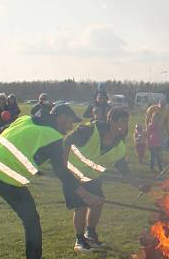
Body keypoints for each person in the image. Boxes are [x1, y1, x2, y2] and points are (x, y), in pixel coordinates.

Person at [0, 104, 102, 259]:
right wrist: (87, 196)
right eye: (69, 123)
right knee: (31, 223)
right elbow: (63, 173)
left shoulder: (24, 119)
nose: (70, 128)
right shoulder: (53, 137)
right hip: (4, 177)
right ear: (60, 117)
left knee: (30, 221)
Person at [63, 108, 151, 251]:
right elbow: (67, 140)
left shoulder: (120, 145)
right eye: (123, 121)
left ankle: (90, 234)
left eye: (127, 121)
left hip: (92, 177)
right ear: (112, 121)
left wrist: (139, 185)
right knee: (81, 205)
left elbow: (124, 171)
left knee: (99, 201)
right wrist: (64, 168)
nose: (126, 124)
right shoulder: (91, 130)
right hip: (72, 174)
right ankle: (79, 240)